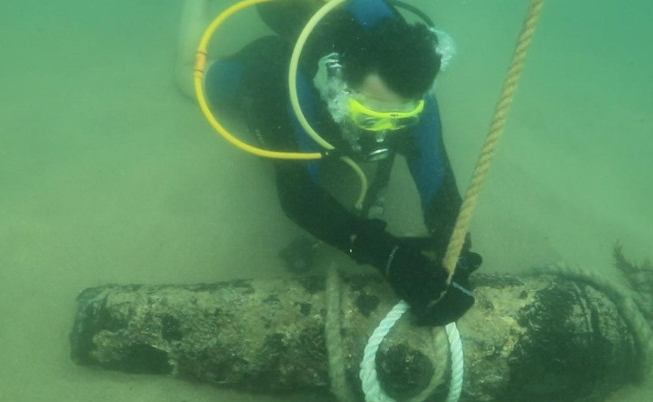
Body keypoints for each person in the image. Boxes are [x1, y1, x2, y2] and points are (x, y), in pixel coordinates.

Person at [175, 0, 481, 326]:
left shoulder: (412, 83)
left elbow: (437, 179)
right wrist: (386, 254)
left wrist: (455, 253)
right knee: (184, 77)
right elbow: (298, 196)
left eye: (401, 116)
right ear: (338, 84)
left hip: (340, 21)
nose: (387, 130)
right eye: (371, 116)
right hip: (277, 59)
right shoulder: (282, 87)